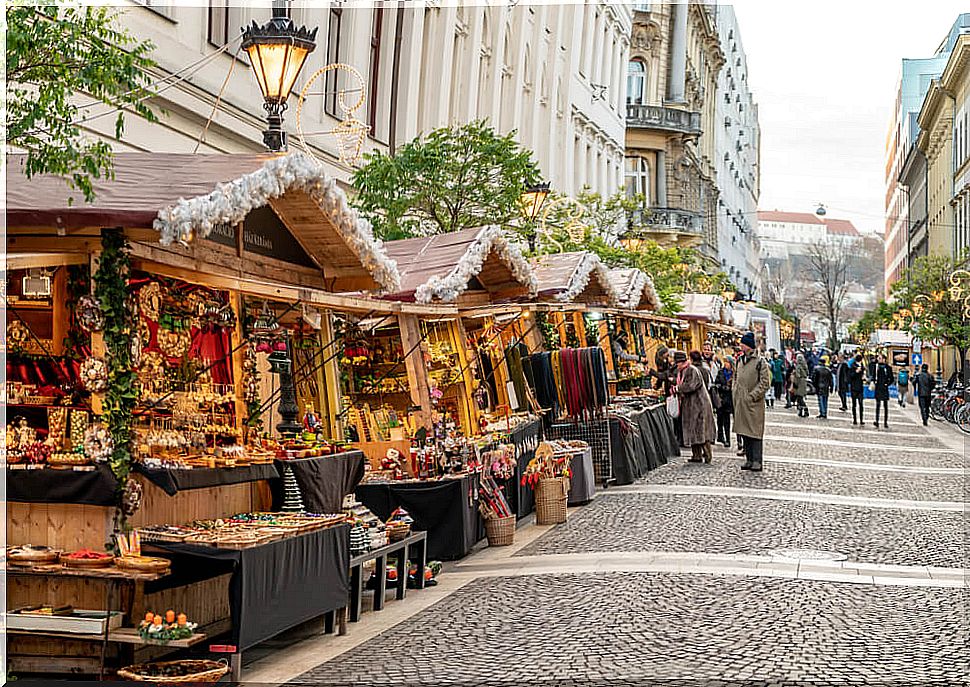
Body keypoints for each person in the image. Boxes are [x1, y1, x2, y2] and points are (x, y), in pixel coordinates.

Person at [734, 331, 771, 472]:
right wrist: (735, 393)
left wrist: (752, 396)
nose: (740, 346)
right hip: (741, 403)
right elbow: (736, 378)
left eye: (742, 344)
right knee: (744, 432)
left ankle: (757, 460)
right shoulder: (740, 360)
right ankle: (749, 459)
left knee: (754, 432)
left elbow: (764, 383)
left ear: (748, 345)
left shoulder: (760, 362)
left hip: (753, 404)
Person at [673, 350, 716, 464]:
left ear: (682, 362)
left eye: (677, 363)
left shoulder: (692, 370)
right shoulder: (683, 371)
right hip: (691, 405)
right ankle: (696, 455)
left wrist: (678, 388)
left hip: (699, 405)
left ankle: (707, 455)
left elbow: (691, 385)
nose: (676, 365)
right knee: (693, 430)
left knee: (701, 430)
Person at [713, 356, 735, 448]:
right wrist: (722, 387)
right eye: (724, 362)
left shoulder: (734, 374)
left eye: (727, 362)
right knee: (719, 420)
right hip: (721, 399)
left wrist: (730, 388)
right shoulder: (721, 372)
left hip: (730, 400)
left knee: (727, 421)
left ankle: (728, 440)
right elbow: (716, 383)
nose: (725, 364)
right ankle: (721, 436)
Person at [872, 354, 893, 428]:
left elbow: (891, 378)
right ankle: (877, 421)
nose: (878, 359)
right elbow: (873, 376)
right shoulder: (876, 366)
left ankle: (885, 422)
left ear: (884, 359)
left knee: (885, 406)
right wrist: (874, 381)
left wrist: (887, 384)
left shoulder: (888, 368)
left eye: (880, 358)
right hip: (878, 388)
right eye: (878, 358)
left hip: (884, 388)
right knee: (877, 405)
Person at [849, 353, 866, 425]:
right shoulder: (852, 366)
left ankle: (861, 419)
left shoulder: (862, 366)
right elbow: (850, 376)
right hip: (853, 387)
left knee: (861, 404)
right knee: (854, 405)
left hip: (860, 387)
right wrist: (856, 372)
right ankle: (855, 419)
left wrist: (864, 377)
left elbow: (863, 375)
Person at [791, 353, 809, 418]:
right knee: (800, 397)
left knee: (799, 398)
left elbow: (798, 376)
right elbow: (807, 373)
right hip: (804, 382)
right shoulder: (805, 365)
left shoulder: (798, 366)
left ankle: (805, 410)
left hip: (799, 383)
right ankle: (801, 411)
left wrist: (795, 382)